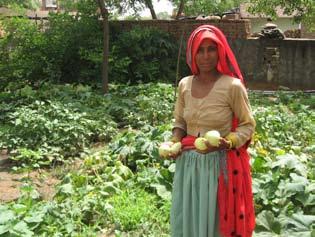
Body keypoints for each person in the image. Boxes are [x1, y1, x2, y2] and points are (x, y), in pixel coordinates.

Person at [169, 25, 256, 237]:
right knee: (190, 215)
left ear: (220, 52)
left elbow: (247, 124)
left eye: (211, 49)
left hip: (218, 166)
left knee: (215, 220)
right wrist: (173, 142)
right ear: (192, 54)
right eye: (200, 50)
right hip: (188, 167)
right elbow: (180, 121)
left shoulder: (232, 86)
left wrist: (230, 141)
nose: (205, 56)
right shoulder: (184, 85)